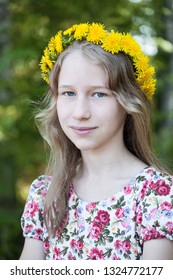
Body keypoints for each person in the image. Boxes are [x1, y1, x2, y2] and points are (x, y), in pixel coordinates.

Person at [20, 22, 173, 260]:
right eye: (68, 93)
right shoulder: (44, 195)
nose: (80, 112)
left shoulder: (155, 194)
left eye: (99, 94)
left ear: (128, 103)